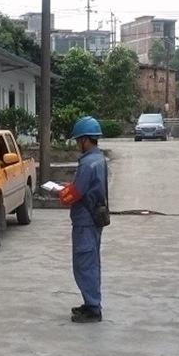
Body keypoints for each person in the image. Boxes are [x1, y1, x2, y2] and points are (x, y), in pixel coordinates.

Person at [57, 116, 108, 323]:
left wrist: (61, 192)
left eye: (79, 141)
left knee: (84, 263)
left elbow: (76, 193)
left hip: (85, 221)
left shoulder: (87, 163)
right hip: (94, 218)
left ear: (86, 140)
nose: (78, 145)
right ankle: (90, 302)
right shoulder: (99, 159)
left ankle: (93, 308)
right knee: (92, 262)